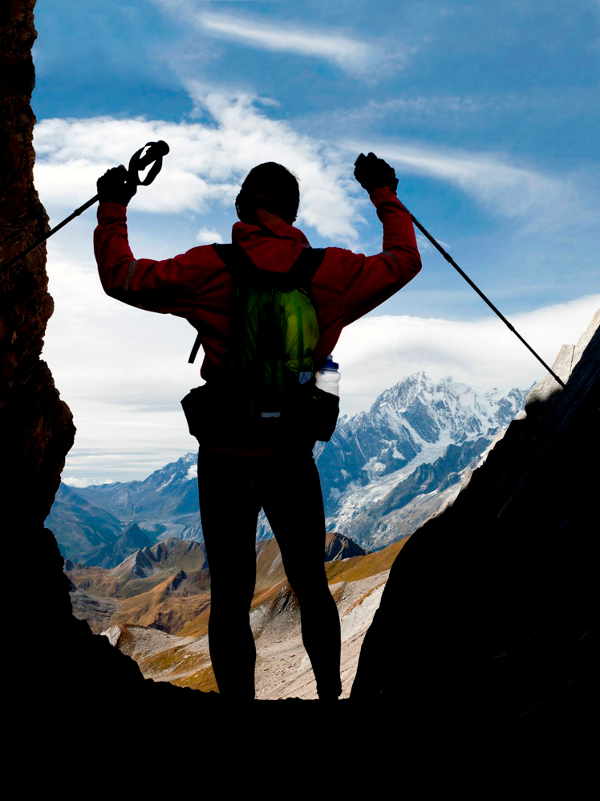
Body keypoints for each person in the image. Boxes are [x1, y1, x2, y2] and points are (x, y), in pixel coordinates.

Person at [94, 152, 422, 701]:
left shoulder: (208, 268)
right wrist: (382, 192)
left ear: (243, 208)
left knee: (229, 593)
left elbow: (122, 277)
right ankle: (328, 697)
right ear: (293, 215)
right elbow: (403, 260)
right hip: (290, 454)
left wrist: (114, 207)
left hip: (225, 454)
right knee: (312, 585)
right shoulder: (332, 273)